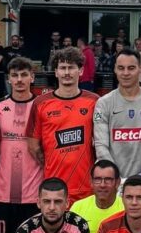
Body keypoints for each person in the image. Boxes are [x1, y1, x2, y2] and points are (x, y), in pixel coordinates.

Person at [0, 57, 44, 233]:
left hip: (33, 194)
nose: (20, 80)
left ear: (32, 77)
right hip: (3, 194)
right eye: (15, 75)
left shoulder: (42, 106)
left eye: (24, 75)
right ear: (9, 79)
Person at [93, 48, 141, 205]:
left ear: (140, 69)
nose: (126, 73)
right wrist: (117, 179)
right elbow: (101, 146)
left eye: (131, 68)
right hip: (114, 190)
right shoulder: (103, 103)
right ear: (115, 69)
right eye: (121, 68)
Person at [28, 47, 99, 204]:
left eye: (71, 67)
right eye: (62, 68)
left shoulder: (94, 101)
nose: (67, 73)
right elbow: (33, 144)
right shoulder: (41, 103)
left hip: (85, 186)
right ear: (56, 72)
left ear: (80, 71)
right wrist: (51, 162)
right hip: (53, 188)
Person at [70, 160, 125, 233]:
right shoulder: (77, 208)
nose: (102, 185)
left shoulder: (126, 208)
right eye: (98, 179)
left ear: (117, 183)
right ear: (91, 182)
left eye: (108, 179)